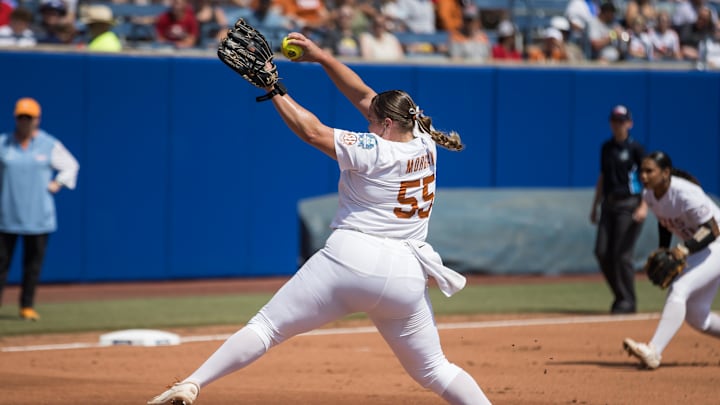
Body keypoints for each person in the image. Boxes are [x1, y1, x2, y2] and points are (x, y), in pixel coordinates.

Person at [147, 30, 490, 405]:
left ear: (387, 125)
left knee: (266, 327)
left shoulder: (377, 150)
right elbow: (364, 95)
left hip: (352, 258)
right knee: (436, 369)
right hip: (407, 274)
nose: (369, 123)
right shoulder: (423, 139)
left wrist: (273, 87)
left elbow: (312, 132)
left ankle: (193, 383)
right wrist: (323, 58)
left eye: (374, 121)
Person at [623, 151, 720, 369]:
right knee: (698, 317)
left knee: (679, 288)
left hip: (716, 244)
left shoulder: (686, 193)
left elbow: (712, 229)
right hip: (701, 248)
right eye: (642, 171)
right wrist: (663, 250)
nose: (644, 176)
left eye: (650, 171)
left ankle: (653, 351)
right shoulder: (649, 195)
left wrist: (685, 250)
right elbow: (664, 220)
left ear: (665, 173)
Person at [0, 98, 79, 321]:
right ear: (15, 118)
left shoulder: (48, 144)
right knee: (1, 263)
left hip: (38, 214)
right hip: (7, 213)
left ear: (37, 119)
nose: (25, 122)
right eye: (21, 117)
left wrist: (58, 183)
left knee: (32, 265)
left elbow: (71, 166)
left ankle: (27, 306)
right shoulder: (3, 144)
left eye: (29, 118)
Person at [590, 105, 647, 315]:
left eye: (621, 120)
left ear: (629, 123)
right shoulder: (606, 147)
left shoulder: (636, 149)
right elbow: (602, 177)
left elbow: (647, 179)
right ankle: (621, 296)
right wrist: (594, 206)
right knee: (602, 252)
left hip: (629, 205)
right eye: (614, 120)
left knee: (622, 255)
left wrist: (644, 205)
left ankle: (627, 301)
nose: (617, 124)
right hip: (608, 204)